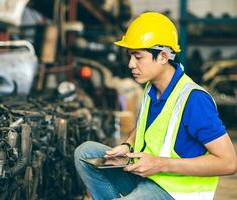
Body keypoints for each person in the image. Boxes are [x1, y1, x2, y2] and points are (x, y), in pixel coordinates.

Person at [74, 12, 237, 200]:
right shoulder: (151, 87)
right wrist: (127, 145)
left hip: (177, 192)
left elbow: (229, 162)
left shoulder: (194, 100)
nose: (130, 64)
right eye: (129, 56)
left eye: (138, 56)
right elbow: (146, 126)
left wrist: (161, 164)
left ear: (162, 56)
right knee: (84, 153)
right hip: (149, 176)